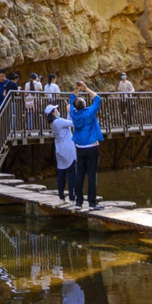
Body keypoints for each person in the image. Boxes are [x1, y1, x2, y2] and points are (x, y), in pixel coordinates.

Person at [69, 81, 103, 209]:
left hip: (79, 148)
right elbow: (98, 99)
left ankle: (78, 203)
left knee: (80, 175)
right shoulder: (89, 113)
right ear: (84, 104)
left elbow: (72, 98)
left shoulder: (73, 113)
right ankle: (92, 203)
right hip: (92, 147)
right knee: (92, 176)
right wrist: (86, 89)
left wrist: (76, 89)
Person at [45, 103, 76, 202]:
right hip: (67, 150)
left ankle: (61, 197)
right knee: (71, 175)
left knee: (61, 174)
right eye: (55, 110)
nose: (57, 111)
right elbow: (72, 123)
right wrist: (70, 111)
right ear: (53, 113)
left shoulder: (54, 123)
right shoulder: (59, 122)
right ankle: (72, 198)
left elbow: (67, 122)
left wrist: (69, 113)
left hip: (59, 150)